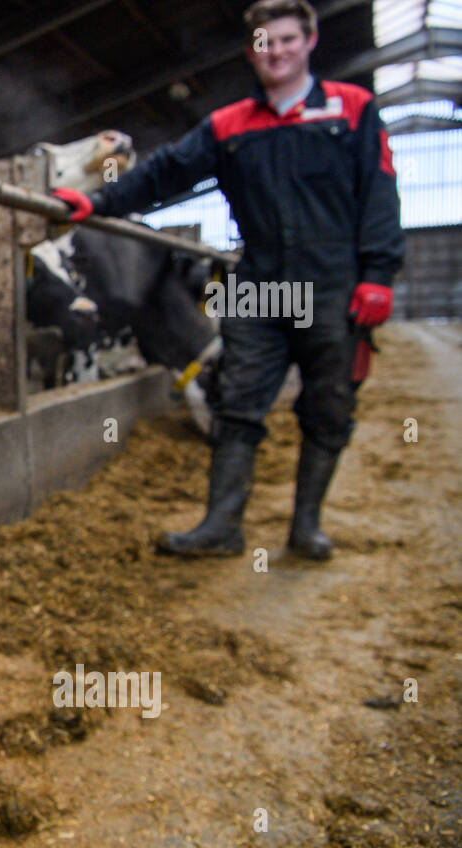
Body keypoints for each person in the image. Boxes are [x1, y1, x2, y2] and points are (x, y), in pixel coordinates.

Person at [53, 0, 404, 561]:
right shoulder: (230, 123)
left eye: (289, 39)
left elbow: (380, 192)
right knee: (238, 401)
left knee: (329, 404)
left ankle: (306, 526)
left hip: (333, 283)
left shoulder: (353, 109)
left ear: (309, 42)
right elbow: (164, 173)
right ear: (252, 52)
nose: (278, 51)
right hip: (261, 282)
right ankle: (221, 526)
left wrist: (379, 274)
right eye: (267, 42)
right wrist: (95, 202)